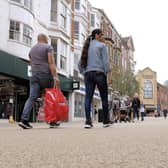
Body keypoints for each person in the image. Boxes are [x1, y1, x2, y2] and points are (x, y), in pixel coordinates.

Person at [18, 33, 60, 129]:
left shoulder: (32, 49)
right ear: (45, 39)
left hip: (34, 75)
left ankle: (24, 120)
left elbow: (31, 61)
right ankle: (52, 121)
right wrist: (56, 76)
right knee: (49, 97)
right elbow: (51, 62)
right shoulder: (48, 47)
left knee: (32, 97)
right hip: (45, 75)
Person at [78, 29, 111, 128]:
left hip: (88, 74)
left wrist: (84, 72)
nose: (103, 38)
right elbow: (105, 62)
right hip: (99, 73)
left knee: (88, 97)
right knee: (104, 98)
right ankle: (105, 121)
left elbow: (79, 64)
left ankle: (88, 122)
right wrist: (108, 73)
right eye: (101, 35)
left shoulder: (86, 46)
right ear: (96, 35)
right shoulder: (102, 46)